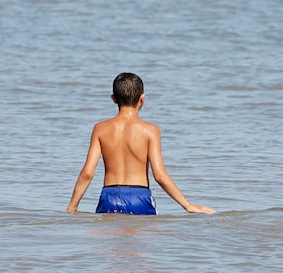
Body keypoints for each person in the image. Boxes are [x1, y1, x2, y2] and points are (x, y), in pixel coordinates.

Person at [66, 72, 214, 215]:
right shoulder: (150, 130)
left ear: (113, 99)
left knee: (110, 239)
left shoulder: (100, 129)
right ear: (142, 99)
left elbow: (87, 173)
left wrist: (72, 207)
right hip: (139, 198)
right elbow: (159, 175)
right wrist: (187, 205)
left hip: (109, 197)